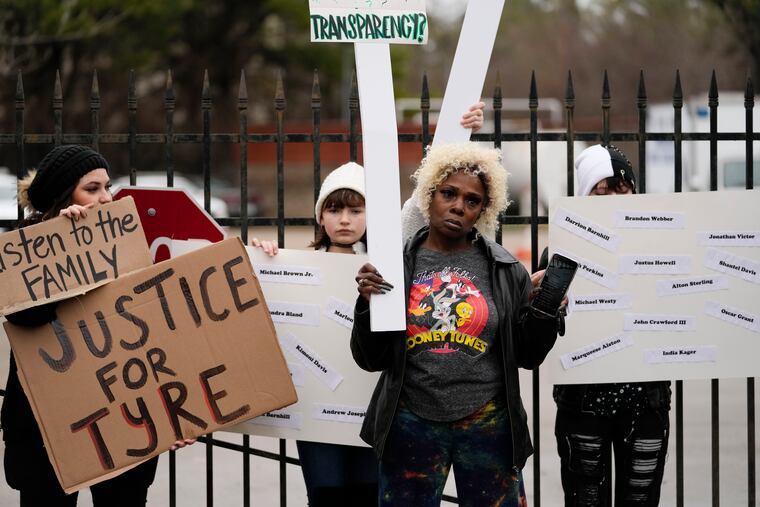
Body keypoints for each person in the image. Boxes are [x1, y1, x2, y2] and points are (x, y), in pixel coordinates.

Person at [252, 104, 486, 506]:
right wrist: (264, 258)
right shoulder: (292, 264)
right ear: (320, 216)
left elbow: (419, 202)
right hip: (315, 413)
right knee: (325, 495)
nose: (345, 219)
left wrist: (456, 136)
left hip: (371, 409)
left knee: (367, 495)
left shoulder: (388, 256)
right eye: (334, 209)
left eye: (356, 209)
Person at [350, 142, 563, 506]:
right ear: (429, 194)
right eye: (449, 193)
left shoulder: (506, 269)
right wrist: (367, 304)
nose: (458, 206)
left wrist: (545, 311)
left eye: (472, 200)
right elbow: (370, 359)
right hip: (411, 421)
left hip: (487, 424)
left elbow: (528, 355)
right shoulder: (395, 266)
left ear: (484, 208)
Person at [2, 144, 193, 506]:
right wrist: (64, 242)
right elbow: (26, 316)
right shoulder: (25, 250)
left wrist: (172, 413)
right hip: (47, 428)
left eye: (108, 187)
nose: (107, 198)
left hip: (123, 418)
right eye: (93, 188)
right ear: (62, 197)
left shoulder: (132, 243)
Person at [553, 144, 671, 506]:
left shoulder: (660, 247)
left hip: (645, 405)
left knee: (641, 499)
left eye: (620, 186)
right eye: (599, 189)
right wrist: (546, 306)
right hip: (582, 406)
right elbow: (537, 334)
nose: (611, 197)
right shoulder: (560, 251)